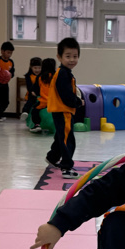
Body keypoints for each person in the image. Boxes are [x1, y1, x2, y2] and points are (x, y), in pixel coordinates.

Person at [46, 37, 83, 178]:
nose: (72, 60)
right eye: (68, 56)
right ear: (59, 57)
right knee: (68, 139)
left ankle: (52, 157)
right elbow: (66, 95)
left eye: (75, 56)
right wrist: (78, 102)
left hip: (60, 110)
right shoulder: (63, 74)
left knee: (60, 136)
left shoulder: (64, 72)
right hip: (63, 111)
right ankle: (66, 167)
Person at [32, 57, 56, 133]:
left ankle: (37, 124)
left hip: (44, 102)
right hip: (55, 102)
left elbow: (36, 91)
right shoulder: (56, 76)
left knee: (34, 109)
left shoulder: (40, 77)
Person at [0, 41, 15, 122]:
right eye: (8, 52)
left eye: (11, 53)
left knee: (6, 101)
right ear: (2, 51)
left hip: (5, 84)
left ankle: (0, 113)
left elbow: (12, 72)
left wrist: (9, 75)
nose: (9, 55)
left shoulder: (11, 62)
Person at [22, 56, 42, 124]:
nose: (37, 70)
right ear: (31, 67)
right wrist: (32, 92)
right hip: (31, 94)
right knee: (29, 103)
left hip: (40, 95)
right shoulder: (28, 76)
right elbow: (29, 86)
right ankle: (25, 112)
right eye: (35, 68)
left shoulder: (42, 76)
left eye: (39, 68)